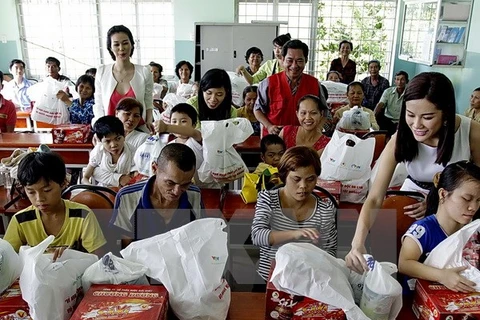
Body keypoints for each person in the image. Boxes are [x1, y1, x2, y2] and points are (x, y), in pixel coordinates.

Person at [345, 72, 480, 274]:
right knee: (386, 244)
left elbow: (477, 188)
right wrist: (356, 243)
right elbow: (374, 197)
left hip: (456, 203)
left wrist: (437, 202)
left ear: (446, 113)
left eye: (427, 117)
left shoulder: (472, 132)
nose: (417, 125)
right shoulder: (401, 137)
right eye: (410, 115)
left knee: (447, 263)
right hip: (412, 196)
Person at [251, 146, 337, 281]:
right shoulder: (268, 199)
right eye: (296, 179)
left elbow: (330, 252)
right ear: (284, 176)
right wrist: (295, 234)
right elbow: (257, 236)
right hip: (270, 278)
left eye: (310, 179)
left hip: (307, 279)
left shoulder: (324, 210)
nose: (303, 186)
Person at [3, 152, 106, 258]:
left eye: (47, 190)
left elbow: (98, 259)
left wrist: (71, 256)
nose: (39, 199)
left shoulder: (82, 215)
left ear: (63, 183)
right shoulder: (21, 220)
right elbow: (7, 259)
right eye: (31, 192)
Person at [399, 161, 480, 293]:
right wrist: (442, 276)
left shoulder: (472, 230)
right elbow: (404, 264)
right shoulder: (423, 229)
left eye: (479, 200)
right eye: (466, 198)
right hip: (420, 300)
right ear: (442, 194)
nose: (474, 207)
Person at [111, 143, 204, 239]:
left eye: (185, 184)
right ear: (155, 168)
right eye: (170, 183)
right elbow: (125, 248)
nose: (177, 192)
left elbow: (199, 238)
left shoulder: (194, 195)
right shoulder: (128, 197)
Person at [254, 39, 327, 136]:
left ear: (306, 61)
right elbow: (257, 109)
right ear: (283, 59)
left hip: (304, 139)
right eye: (290, 60)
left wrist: (318, 129)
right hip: (275, 141)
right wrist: (269, 126)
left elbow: (325, 111)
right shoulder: (268, 83)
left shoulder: (314, 84)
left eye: (299, 61)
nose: (294, 65)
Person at [92, 25, 154, 133]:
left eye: (125, 43)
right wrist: (99, 131)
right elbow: (99, 105)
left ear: (132, 44)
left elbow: (148, 102)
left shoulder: (144, 72)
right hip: (110, 134)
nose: (121, 48)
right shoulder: (102, 72)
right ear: (110, 48)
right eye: (116, 44)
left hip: (139, 131)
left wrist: (149, 122)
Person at [82, 116, 134, 187]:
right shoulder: (98, 152)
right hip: (104, 191)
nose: (113, 145)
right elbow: (85, 178)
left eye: (118, 138)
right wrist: (93, 189)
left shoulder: (133, 152)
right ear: (100, 141)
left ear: (124, 135)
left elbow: (135, 178)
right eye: (107, 141)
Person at [374, 70, 409, 136]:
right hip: (388, 120)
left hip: (402, 121)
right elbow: (380, 104)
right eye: (397, 79)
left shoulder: (409, 93)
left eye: (402, 79)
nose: (399, 82)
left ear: (407, 81)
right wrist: (373, 118)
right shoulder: (388, 91)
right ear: (394, 81)